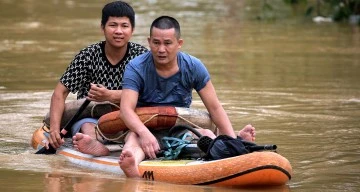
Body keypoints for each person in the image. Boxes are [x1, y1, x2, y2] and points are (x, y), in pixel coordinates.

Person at [117, 15, 256, 178]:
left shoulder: (193, 66)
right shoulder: (136, 67)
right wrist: (145, 134)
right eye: (156, 43)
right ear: (149, 42)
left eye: (168, 43)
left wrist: (232, 142)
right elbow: (126, 110)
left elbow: (215, 107)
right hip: (144, 128)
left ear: (179, 44)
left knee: (207, 135)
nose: (161, 49)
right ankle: (132, 166)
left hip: (181, 128)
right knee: (133, 142)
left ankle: (236, 141)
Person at [46, 1, 148, 156]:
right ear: (102, 28)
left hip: (129, 117)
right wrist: (54, 130)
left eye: (124, 26)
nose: (118, 31)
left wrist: (111, 96)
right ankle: (93, 145)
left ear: (132, 29)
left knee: (136, 130)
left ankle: (129, 149)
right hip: (90, 117)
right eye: (113, 25)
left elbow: (151, 93)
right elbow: (59, 93)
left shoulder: (142, 56)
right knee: (87, 128)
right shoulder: (87, 56)